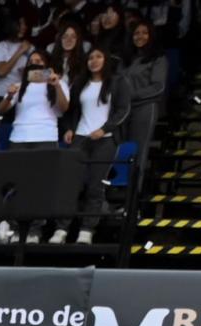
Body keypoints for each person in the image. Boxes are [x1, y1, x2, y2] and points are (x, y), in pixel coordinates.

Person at [62, 44, 128, 243]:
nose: (94, 61)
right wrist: (69, 128)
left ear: (106, 60)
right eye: (91, 58)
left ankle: (87, 230)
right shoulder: (80, 83)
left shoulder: (117, 82)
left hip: (105, 140)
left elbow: (123, 110)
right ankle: (61, 228)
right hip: (81, 137)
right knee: (71, 186)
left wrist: (105, 129)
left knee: (95, 187)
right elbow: (71, 110)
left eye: (99, 56)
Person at [2, 48, 68, 242]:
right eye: (32, 60)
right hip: (19, 138)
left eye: (40, 60)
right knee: (17, 184)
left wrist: (56, 85)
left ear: (47, 64)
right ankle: (16, 228)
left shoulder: (58, 82)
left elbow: (64, 108)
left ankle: (35, 230)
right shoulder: (19, 84)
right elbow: (2, 109)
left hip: (46, 137)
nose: (36, 62)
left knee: (40, 185)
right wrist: (7, 95)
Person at [121, 22, 166, 182]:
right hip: (124, 110)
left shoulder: (158, 58)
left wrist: (132, 95)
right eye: (136, 33)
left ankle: (133, 198)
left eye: (144, 32)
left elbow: (158, 87)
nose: (140, 36)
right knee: (124, 151)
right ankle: (119, 195)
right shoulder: (126, 59)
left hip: (145, 108)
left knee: (138, 152)